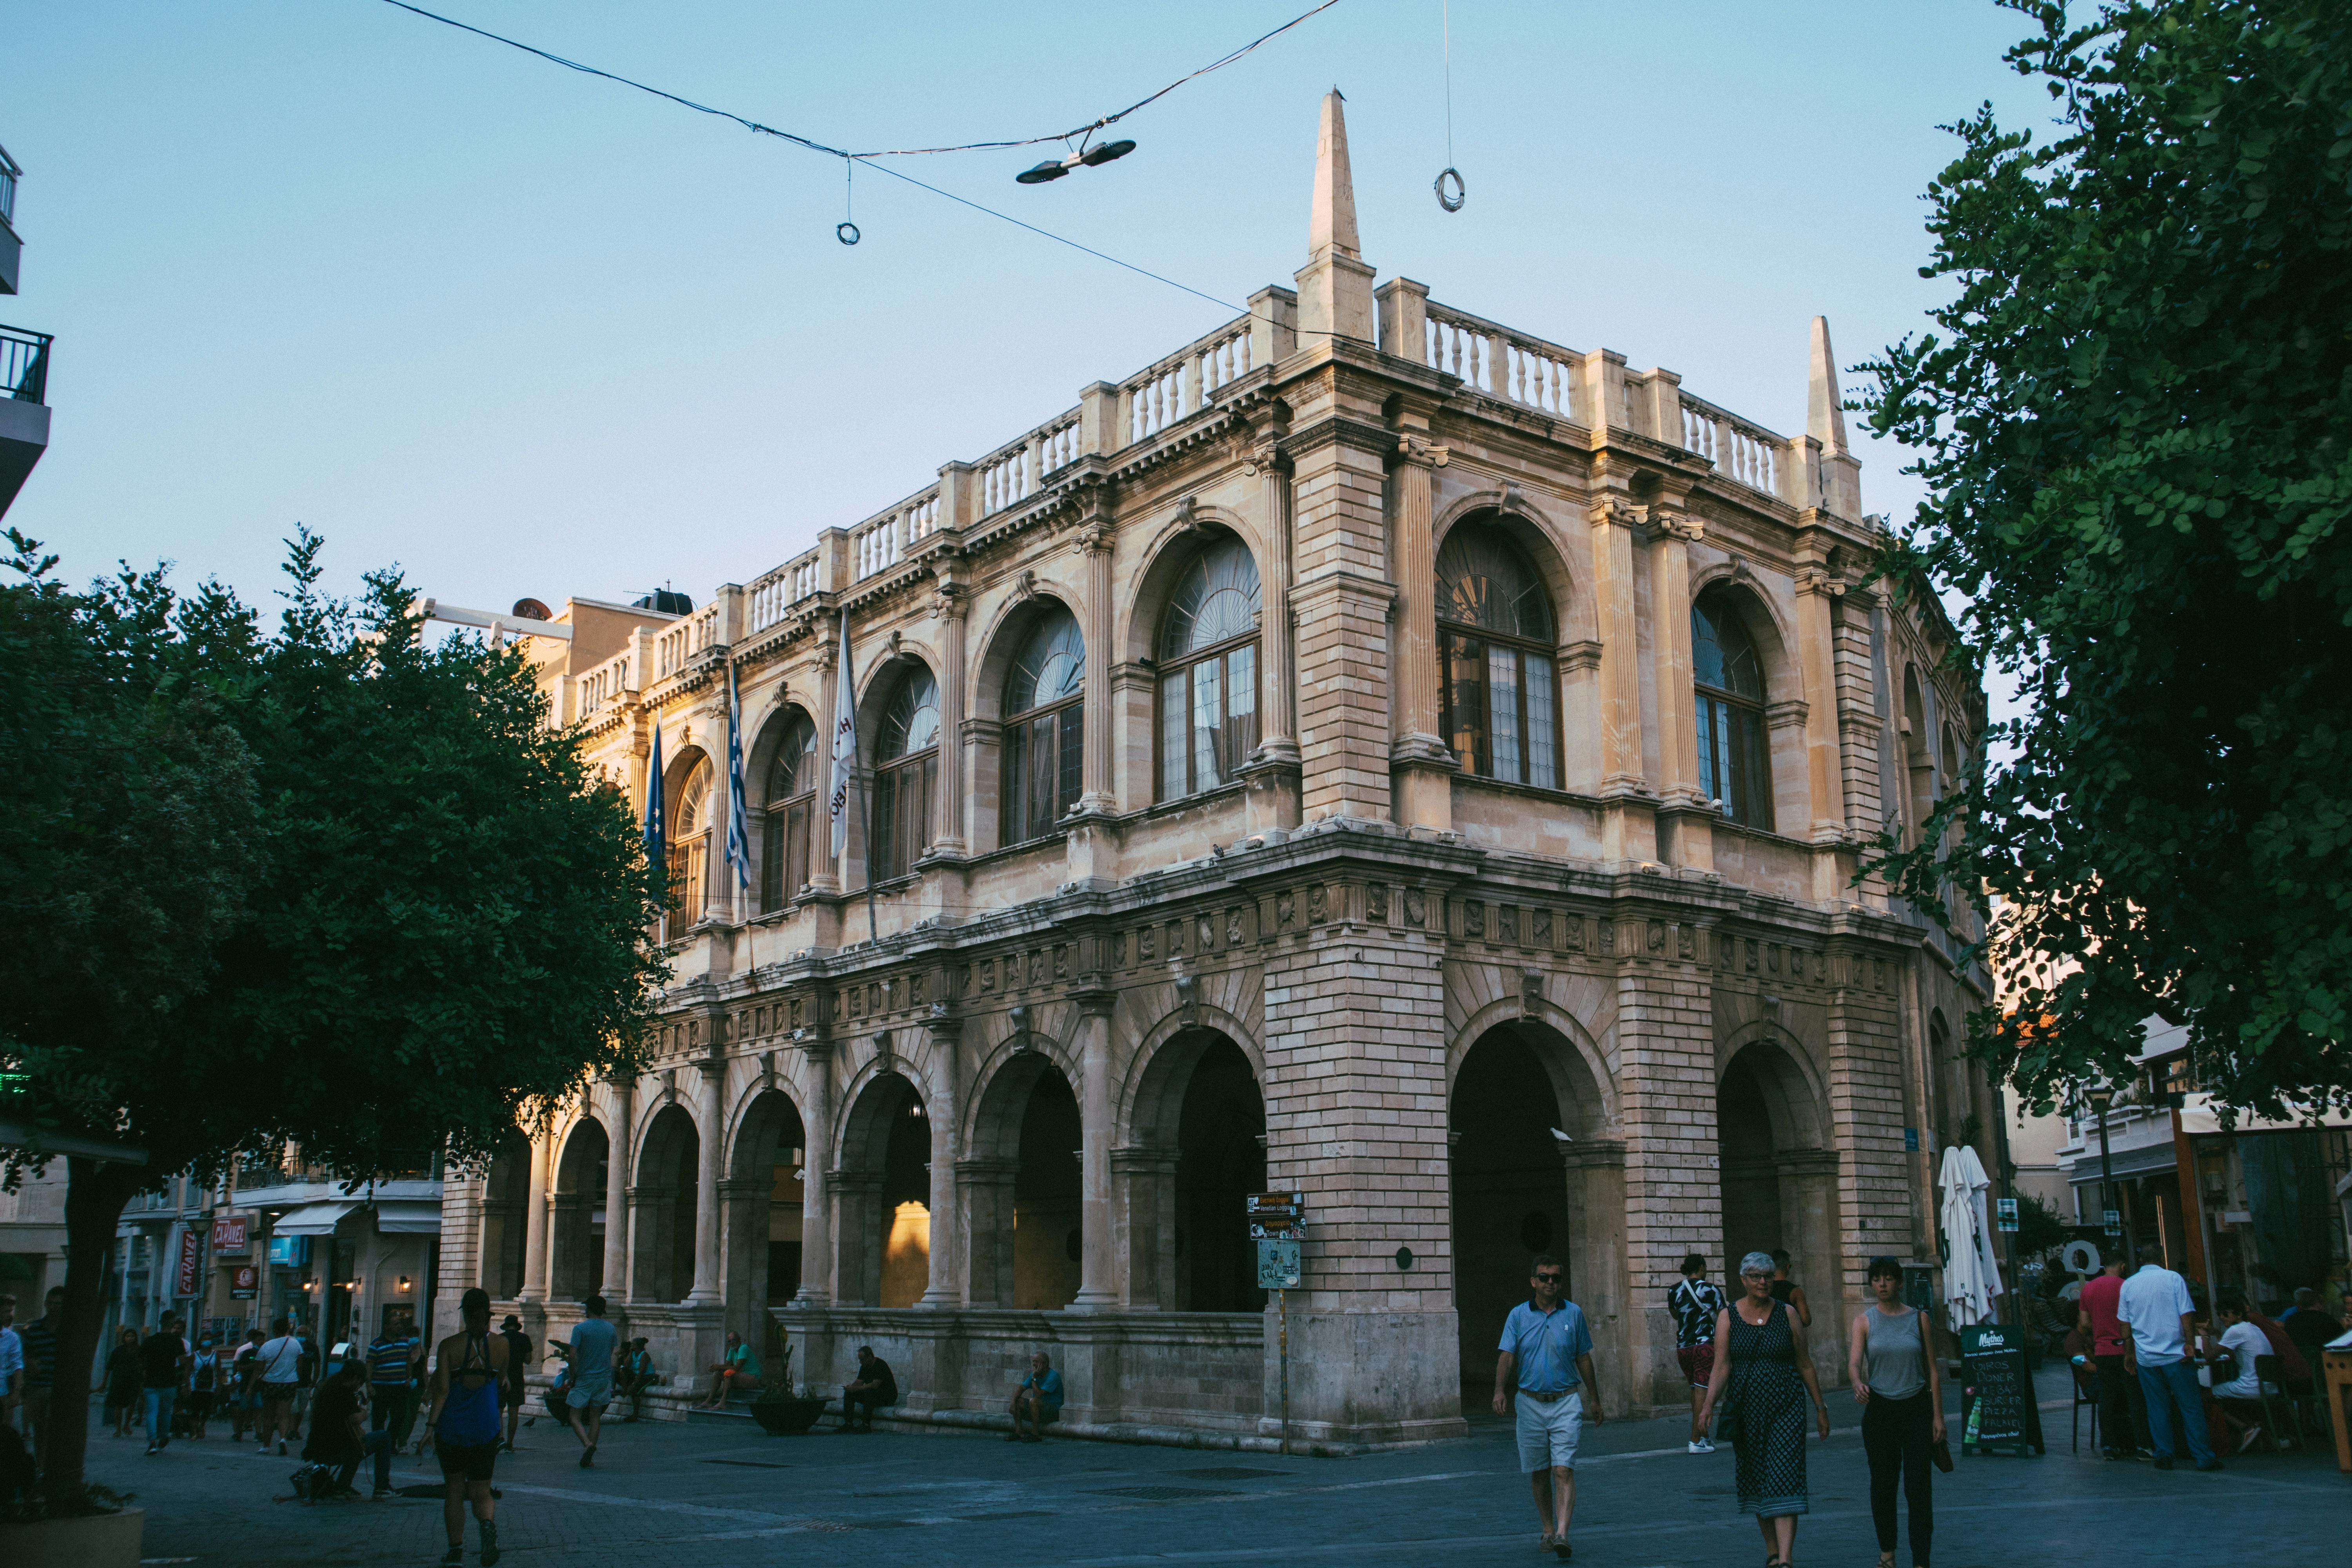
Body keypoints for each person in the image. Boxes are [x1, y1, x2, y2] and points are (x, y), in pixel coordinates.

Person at [1698, 1250, 1832, 1568]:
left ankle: (1785, 1559)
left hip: (1787, 1406)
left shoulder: (1787, 1314)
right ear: (1743, 1280)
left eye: (1769, 1276)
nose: (1763, 1282)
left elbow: (1805, 1363)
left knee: (1785, 1476)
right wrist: (1707, 1408)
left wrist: (1820, 1407)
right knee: (1756, 1478)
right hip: (1747, 1410)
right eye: (1757, 1277)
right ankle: (1772, 1552)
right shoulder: (1728, 1316)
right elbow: (1721, 1366)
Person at [1492, 1252, 1603, 1562]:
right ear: (1534, 1282)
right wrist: (1499, 1390)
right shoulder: (1518, 1316)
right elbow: (1507, 1355)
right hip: (1529, 1404)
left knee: (1563, 1469)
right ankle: (1547, 1527)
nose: (1550, 1283)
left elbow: (1584, 1357)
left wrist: (1594, 1399)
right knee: (1539, 1472)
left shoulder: (1574, 1314)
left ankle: (1563, 1534)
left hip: (1566, 1400)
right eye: (1544, 1278)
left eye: (1556, 1278)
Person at [1848, 1256, 1944, 1568]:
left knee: (1919, 1489)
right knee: (1883, 1486)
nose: (1883, 1284)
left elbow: (1931, 1370)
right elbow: (1853, 1362)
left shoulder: (1919, 1320)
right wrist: (1856, 1381)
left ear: (1900, 1283)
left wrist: (1938, 1416)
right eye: (1877, 1279)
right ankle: (1887, 1553)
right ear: (1871, 1283)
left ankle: (1921, 1559)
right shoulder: (1864, 1321)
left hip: (1916, 1408)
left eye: (1889, 1278)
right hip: (1880, 1412)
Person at [421, 1287, 510, 1567]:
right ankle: (486, 1526)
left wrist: (429, 1428)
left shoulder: (449, 1346)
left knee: (455, 1490)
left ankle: (456, 1551)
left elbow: (443, 1391)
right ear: (488, 1314)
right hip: (486, 1426)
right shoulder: (502, 1346)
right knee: (482, 1490)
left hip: (453, 1428)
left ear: (463, 1312)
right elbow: (502, 1381)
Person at [2116, 1243, 2221, 1472]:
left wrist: (2129, 1353)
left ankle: (2164, 1455)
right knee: (2190, 1407)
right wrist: (2190, 1344)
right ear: (2162, 1257)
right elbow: (2186, 1314)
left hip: (2147, 1358)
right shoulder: (2173, 1279)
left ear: (2141, 1259)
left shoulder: (2129, 1285)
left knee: (2156, 1407)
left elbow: (2125, 1325)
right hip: (2176, 1354)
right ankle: (2203, 1457)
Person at [2076, 1251, 2149, 1458]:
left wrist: (2100, 1328)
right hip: (2127, 1349)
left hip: (2103, 1349)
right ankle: (2141, 1445)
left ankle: (2109, 1445)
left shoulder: (2089, 1288)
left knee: (2107, 1397)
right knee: (2135, 1397)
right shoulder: (2126, 1286)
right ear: (2123, 1266)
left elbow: (2084, 1323)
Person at [1668, 1253, 1727, 1454]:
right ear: (1702, 1267)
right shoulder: (1711, 1290)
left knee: (1695, 1390)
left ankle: (1703, 1435)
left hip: (1683, 1347)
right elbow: (1723, 1316)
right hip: (1704, 1345)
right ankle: (1695, 1441)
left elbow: (1675, 1314)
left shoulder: (1674, 1290)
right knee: (1703, 1391)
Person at [366, 1316, 425, 1495]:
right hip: (381, 1386)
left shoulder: (405, 1342)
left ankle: (388, 1442)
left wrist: (408, 1377)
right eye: (396, 1324)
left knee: (400, 1414)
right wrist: (369, 1385)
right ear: (387, 1327)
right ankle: (378, 1443)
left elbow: (408, 1360)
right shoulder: (376, 1344)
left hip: (399, 1386)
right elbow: (370, 1364)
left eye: (400, 1324)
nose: (399, 1327)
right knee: (378, 1417)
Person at [2206, 1290, 2270, 1455]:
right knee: (2222, 1392)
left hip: (2251, 1386)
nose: (2222, 1318)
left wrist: (2204, 1337)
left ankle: (2245, 1428)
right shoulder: (2253, 1328)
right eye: (2220, 1314)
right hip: (2268, 1386)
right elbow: (2233, 1354)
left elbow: (2209, 1357)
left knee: (2205, 1396)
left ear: (2239, 1314)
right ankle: (2250, 1426)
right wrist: (2218, 1335)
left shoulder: (2236, 1331)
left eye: (2226, 1314)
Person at [302, 1359, 376, 1499]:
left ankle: (343, 1485)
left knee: (357, 1445)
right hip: (334, 1449)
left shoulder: (328, 1386)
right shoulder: (343, 1393)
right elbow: (356, 1419)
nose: (359, 1387)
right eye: (360, 1383)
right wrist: (365, 1412)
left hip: (316, 1447)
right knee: (381, 1438)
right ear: (355, 1378)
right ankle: (379, 1487)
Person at [567, 1294, 619, 1468]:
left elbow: (572, 1355)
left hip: (584, 1377)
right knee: (596, 1417)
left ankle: (587, 1444)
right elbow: (611, 1352)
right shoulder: (611, 1328)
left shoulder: (580, 1328)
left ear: (589, 1309)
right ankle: (589, 1455)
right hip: (603, 1377)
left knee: (574, 1417)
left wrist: (572, 1375)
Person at [16, 1287, 62, 1468]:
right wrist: (29, 1362)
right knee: (41, 1428)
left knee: (56, 1429)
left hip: (59, 1387)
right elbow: (23, 1353)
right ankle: (42, 1467)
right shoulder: (35, 1329)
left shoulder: (70, 1330)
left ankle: (53, 1466)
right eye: (50, 1303)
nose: (53, 1307)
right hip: (38, 1386)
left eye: (58, 1304)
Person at [140, 1312, 191, 1456]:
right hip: (169, 1382)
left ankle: (152, 1442)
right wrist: (184, 1383)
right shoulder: (176, 1341)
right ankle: (164, 1436)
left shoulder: (150, 1341)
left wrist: (144, 1378)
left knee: (152, 1412)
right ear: (172, 1323)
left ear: (161, 1322)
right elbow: (182, 1363)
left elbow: (141, 1361)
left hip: (151, 1381)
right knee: (166, 1412)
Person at [253, 1315, 305, 1455]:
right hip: (289, 1383)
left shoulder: (267, 1346)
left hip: (270, 1383)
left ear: (274, 1330)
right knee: (284, 1415)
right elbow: (300, 1365)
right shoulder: (296, 1344)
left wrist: (250, 1386)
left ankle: (266, 1446)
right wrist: (296, 1378)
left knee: (268, 1416)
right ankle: (283, 1439)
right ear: (288, 1329)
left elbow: (258, 1368)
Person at [838, 1345, 898, 1433]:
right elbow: (859, 1382)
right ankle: (849, 1424)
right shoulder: (864, 1367)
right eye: (860, 1360)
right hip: (874, 1394)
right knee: (849, 1394)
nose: (860, 1362)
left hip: (887, 1396)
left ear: (870, 1357)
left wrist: (858, 1389)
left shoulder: (880, 1365)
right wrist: (851, 1388)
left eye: (862, 1360)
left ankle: (866, 1425)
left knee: (870, 1393)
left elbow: (875, 1385)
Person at [1007, 1351, 1063, 1442]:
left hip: (1052, 1411)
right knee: (1019, 1401)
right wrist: (1013, 1402)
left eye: (1037, 1362)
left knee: (1034, 1401)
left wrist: (1034, 1378)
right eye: (1033, 1361)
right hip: (1038, 1409)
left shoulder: (1053, 1376)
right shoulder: (1035, 1375)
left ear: (1044, 1364)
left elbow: (1038, 1394)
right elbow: (1021, 1388)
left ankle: (1035, 1434)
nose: (1034, 1364)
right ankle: (1019, 1432)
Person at [2280, 1288, 2343, 1367]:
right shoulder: (2327, 1319)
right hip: (2325, 1366)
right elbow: (2340, 1342)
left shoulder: (2291, 1321)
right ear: (2318, 1305)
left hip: (2298, 1366)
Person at [497, 1314, 532, 1452]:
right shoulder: (524, 1338)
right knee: (514, 1413)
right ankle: (510, 1442)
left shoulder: (500, 1339)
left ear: (506, 1326)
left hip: (502, 1378)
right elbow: (528, 1360)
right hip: (517, 1378)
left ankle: (500, 1439)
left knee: (498, 1412)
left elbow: (496, 1360)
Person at [701, 1330, 761, 1410]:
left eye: (734, 1340)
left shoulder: (743, 1348)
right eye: (730, 1341)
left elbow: (737, 1368)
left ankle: (723, 1402)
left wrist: (718, 1367)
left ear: (739, 1340)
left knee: (728, 1373)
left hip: (753, 1378)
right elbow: (727, 1365)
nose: (732, 1343)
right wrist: (716, 1368)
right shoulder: (732, 1349)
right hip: (742, 1377)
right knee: (719, 1374)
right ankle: (709, 1400)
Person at [103, 1326, 143, 1438]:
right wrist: (104, 1382)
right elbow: (109, 1366)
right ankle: (118, 1428)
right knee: (118, 1405)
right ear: (124, 1338)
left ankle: (126, 1425)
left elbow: (144, 1366)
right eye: (128, 1336)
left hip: (134, 1379)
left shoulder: (139, 1351)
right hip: (119, 1380)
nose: (130, 1339)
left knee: (132, 1403)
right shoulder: (118, 1351)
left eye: (132, 1336)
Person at [228, 1328, 265, 1443]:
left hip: (259, 1385)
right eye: (259, 1340)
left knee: (258, 1409)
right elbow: (240, 1368)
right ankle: (238, 1433)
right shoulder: (247, 1353)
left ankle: (259, 1433)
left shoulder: (266, 1353)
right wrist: (254, 1365)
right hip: (246, 1385)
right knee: (243, 1410)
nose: (261, 1342)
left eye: (263, 1340)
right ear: (254, 1341)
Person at [289, 1323, 320, 1439]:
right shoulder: (292, 1346)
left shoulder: (312, 1347)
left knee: (301, 1409)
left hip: (306, 1382)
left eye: (303, 1333)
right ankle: (291, 1430)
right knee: (293, 1408)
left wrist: (314, 1381)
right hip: (292, 1382)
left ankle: (295, 1430)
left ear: (308, 1335)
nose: (300, 1335)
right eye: (299, 1333)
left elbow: (317, 1365)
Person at [1768, 1250, 1813, 1328]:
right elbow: (1806, 1320)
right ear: (1788, 1267)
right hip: (1787, 1335)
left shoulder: (1763, 1289)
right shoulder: (1796, 1292)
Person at [187, 1336, 220, 1439]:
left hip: (210, 1386)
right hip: (196, 1386)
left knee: (207, 1409)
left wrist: (219, 1384)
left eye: (208, 1339)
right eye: (204, 1339)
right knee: (195, 1409)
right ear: (200, 1342)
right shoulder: (194, 1355)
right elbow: (188, 1370)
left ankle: (202, 1425)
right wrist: (187, 1384)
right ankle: (194, 1430)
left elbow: (219, 1370)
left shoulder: (215, 1355)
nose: (206, 1341)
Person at [616, 1338, 655, 1422]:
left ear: (638, 1346)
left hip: (647, 1377)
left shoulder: (644, 1355)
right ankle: (625, 1389)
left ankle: (635, 1415)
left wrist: (634, 1384)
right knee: (621, 1371)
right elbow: (626, 1365)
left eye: (633, 1345)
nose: (632, 1346)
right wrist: (630, 1352)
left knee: (636, 1391)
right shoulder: (633, 1354)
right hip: (636, 1376)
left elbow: (642, 1371)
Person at [0, 1295, 21, 1437]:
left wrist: (16, 1392)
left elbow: (17, 1366)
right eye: (5, 1312)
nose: (9, 1316)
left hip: (3, 1394)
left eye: (11, 1311)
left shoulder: (12, 1338)